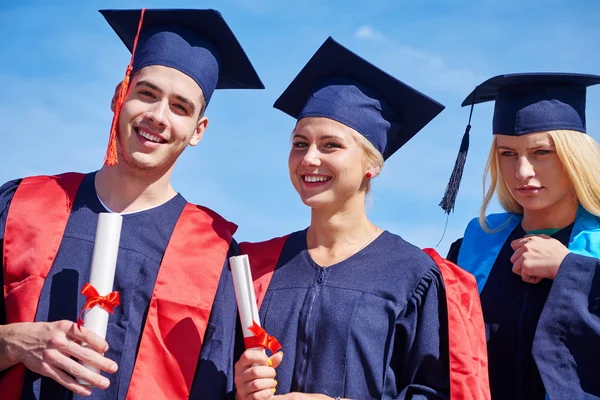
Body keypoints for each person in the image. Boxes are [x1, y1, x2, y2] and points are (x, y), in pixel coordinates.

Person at [0, 8, 264, 400]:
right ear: (118, 98)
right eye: (147, 94)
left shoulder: (212, 254)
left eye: (180, 107)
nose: (158, 116)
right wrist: (10, 341)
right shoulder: (23, 205)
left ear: (198, 131)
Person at [233, 37, 489, 400]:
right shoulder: (256, 268)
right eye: (300, 143)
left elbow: (433, 392)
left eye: (331, 145)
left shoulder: (413, 275)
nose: (309, 159)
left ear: (372, 164)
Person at [445, 73, 600, 399]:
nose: (522, 172)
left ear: (575, 156)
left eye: (541, 152)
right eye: (507, 153)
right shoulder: (473, 247)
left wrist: (571, 269)